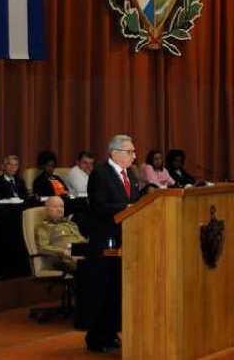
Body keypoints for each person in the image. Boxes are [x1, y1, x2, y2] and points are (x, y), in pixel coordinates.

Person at [84, 134, 140, 353]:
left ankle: (110, 332)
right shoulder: (100, 174)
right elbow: (98, 206)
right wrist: (124, 209)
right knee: (104, 291)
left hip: (128, 239)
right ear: (114, 153)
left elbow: (136, 202)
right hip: (106, 239)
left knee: (119, 291)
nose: (134, 156)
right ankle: (96, 338)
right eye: (130, 152)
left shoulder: (131, 174)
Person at [35, 196, 87, 272]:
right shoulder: (44, 227)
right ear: (46, 210)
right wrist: (63, 251)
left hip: (80, 252)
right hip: (62, 258)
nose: (60, 210)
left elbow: (82, 240)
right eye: (55, 206)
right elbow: (43, 248)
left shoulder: (71, 224)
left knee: (107, 255)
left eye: (62, 207)